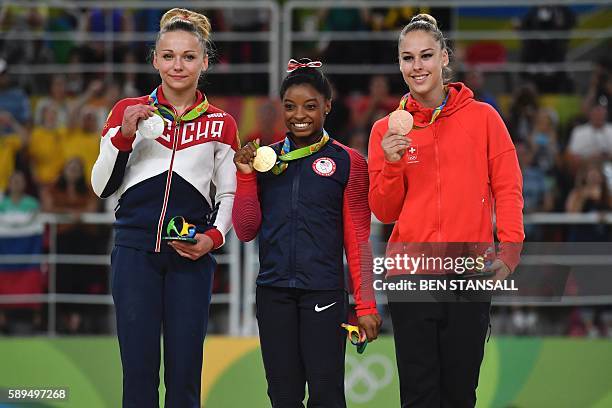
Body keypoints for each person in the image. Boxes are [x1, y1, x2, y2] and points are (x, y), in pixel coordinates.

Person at [368, 14, 524, 408]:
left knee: (459, 394)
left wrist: (509, 252)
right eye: (407, 58)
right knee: (418, 396)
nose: (416, 66)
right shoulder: (385, 129)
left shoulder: (484, 118)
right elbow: (384, 212)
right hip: (411, 274)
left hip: (469, 271)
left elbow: (508, 187)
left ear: (444, 58)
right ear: (399, 64)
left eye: (425, 55)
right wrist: (391, 162)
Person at [90, 8, 238, 407]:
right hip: (134, 255)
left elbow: (228, 196)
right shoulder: (127, 110)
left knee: (185, 378)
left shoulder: (221, 122)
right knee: (138, 377)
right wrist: (123, 136)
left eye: (189, 56)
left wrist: (212, 238)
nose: (178, 65)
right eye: (169, 55)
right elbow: (101, 186)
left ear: (204, 62)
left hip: (191, 258)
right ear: (154, 59)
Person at [232, 58, 381, 408]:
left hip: (324, 293)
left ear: (328, 106)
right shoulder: (263, 160)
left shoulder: (349, 162)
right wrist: (244, 176)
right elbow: (246, 229)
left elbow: (358, 239)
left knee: (327, 396)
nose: (300, 115)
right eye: (290, 106)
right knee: (283, 397)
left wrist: (366, 304)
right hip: (273, 294)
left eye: (311, 106)